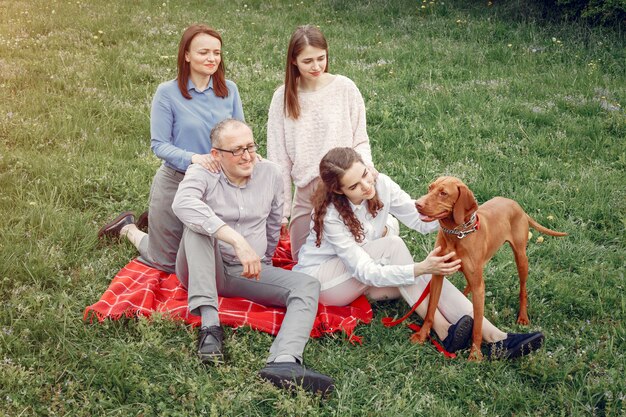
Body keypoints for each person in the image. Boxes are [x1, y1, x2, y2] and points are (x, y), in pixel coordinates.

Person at [294, 147, 545, 359]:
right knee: (399, 250)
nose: (366, 185)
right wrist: (421, 267)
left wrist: (459, 214)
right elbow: (364, 271)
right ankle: (443, 329)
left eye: (365, 174)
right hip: (324, 283)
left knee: (428, 275)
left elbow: (422, 221)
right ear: (339, 191)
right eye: (355, 186)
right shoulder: (331, 214)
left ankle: (496, 337)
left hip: (362, 274)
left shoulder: (381, 184)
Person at [171, 119, 334, 395]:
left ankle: (283, 362)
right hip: (203, 267)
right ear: (216, 155)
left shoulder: (270, 173)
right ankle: (210, 328)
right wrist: (237, 241)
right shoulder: (203, 173)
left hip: (243, 273)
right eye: (236, 150)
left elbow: (273, 223)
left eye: (250, 146)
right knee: (197, 227)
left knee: (307, 286)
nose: (247, 156)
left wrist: (265, 259)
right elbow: (182, 203)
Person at [98, 24, 244, 273]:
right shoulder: (167, 93)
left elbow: (239, 133)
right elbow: (159, 145)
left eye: (217, 53)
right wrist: (194, 158)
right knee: (166, 263)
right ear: (186, 55)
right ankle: (128, 228)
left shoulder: (229, 90)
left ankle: (154, 221)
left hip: (218, 184)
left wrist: (247, 153)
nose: (211, 59)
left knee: (216, 259)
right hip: (177, 181)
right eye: (203, 52)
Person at [267, 25, 376, 261]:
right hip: (307, 191)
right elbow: (278, 159)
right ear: (294, 61)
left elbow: (360, 139)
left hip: (345, 188)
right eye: (308, 61)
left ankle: (383, 229)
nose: (316, 67)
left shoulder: (345, 88)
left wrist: (366, 174)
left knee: (355, 258)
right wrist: (282, 211)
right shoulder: (282, 97)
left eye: (321, 58)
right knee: (302, 261)